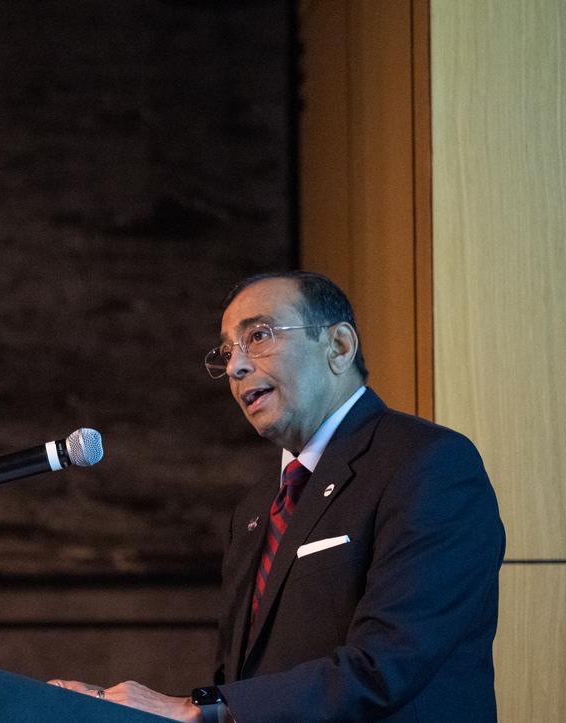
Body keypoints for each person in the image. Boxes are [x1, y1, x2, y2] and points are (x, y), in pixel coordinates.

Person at [51, 271, 504, 722]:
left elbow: (387, 664)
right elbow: (244, 688)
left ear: (339, 347)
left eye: (259, 336)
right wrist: (132, 711)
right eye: (227, 351)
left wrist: (195, 710)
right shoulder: (256, 506)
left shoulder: (429, 464)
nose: (235, 367)